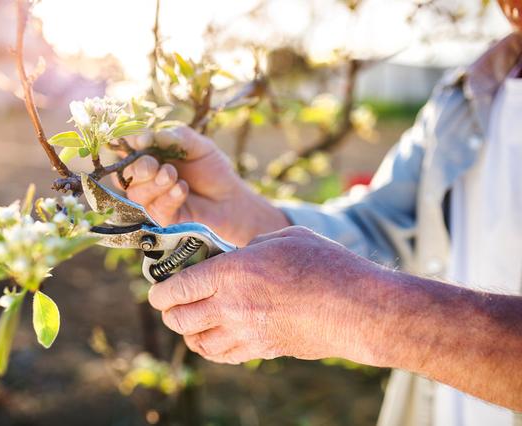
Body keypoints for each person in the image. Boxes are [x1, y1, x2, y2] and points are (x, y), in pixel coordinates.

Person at [121, 1, 522, 424]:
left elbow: (365, 293)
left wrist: (364, 311)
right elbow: (380, 232)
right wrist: (236, 210)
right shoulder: (469, 93)